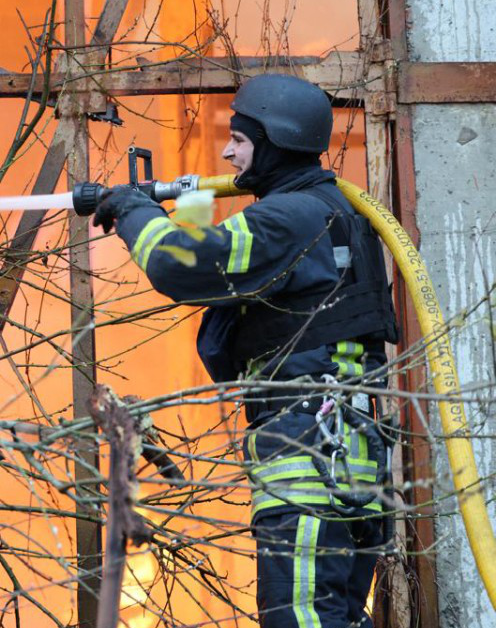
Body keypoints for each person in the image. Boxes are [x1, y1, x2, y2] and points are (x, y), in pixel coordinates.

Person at [87, 74, 398, 628]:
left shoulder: (290, 217)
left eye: (241, 139)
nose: (228, 152)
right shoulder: (335, 213)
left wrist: (135, 210)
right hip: (350, 476)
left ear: (275, 143)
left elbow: (180, 263)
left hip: (308, 474)